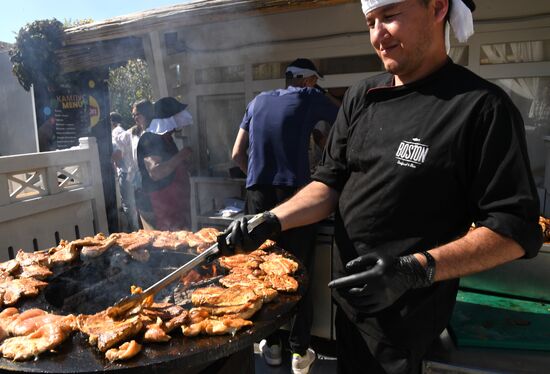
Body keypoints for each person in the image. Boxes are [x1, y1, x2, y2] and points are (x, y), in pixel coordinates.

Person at [219, 1, 543, 373]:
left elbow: (514, 229)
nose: (377, 35)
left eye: (389, 17)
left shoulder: (481, 108)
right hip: (348, 308)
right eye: (371, 22)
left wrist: (413, 270)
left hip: (407, 323)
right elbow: (328, 183)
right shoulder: (361, 97)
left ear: (437, 8)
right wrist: (272, 219)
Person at [231, 58, 339, 374]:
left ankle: (271, 346)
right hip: (294, 198)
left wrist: (259, 178)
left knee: (263, 271)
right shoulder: (310, 97)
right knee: (297, 272)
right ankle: (299, 351)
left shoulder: (257, 101)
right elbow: (347, 116)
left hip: (257, 197)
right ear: (307, 81)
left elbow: (237, 154)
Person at [136, 97, 193, 231]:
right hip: (158, 207)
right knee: (161, 247)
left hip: (174, 206)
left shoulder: (166, 138)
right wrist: (181, 155)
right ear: (170, 118)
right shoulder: (150, 138)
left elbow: (171, 167)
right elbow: (156, 172)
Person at [111, 111, 140, 232]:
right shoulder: (125, 131)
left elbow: (118, 153)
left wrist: (113, 162)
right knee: (135, 203)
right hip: (133, 172)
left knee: (129, 205)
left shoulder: (116, 132)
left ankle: (134, 231)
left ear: (111, 122)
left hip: (125, 171)